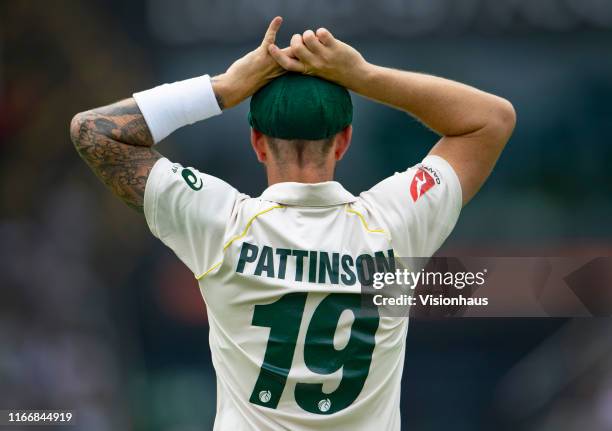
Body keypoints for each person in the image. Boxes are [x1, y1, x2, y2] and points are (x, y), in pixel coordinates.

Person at [70, 16, 515, 431]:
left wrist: (225, 87)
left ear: (257, 143)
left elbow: (94, 130)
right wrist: (364, 76)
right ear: (343, 141)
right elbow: (490, 120)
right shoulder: (394, 224)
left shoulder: (221, 224)